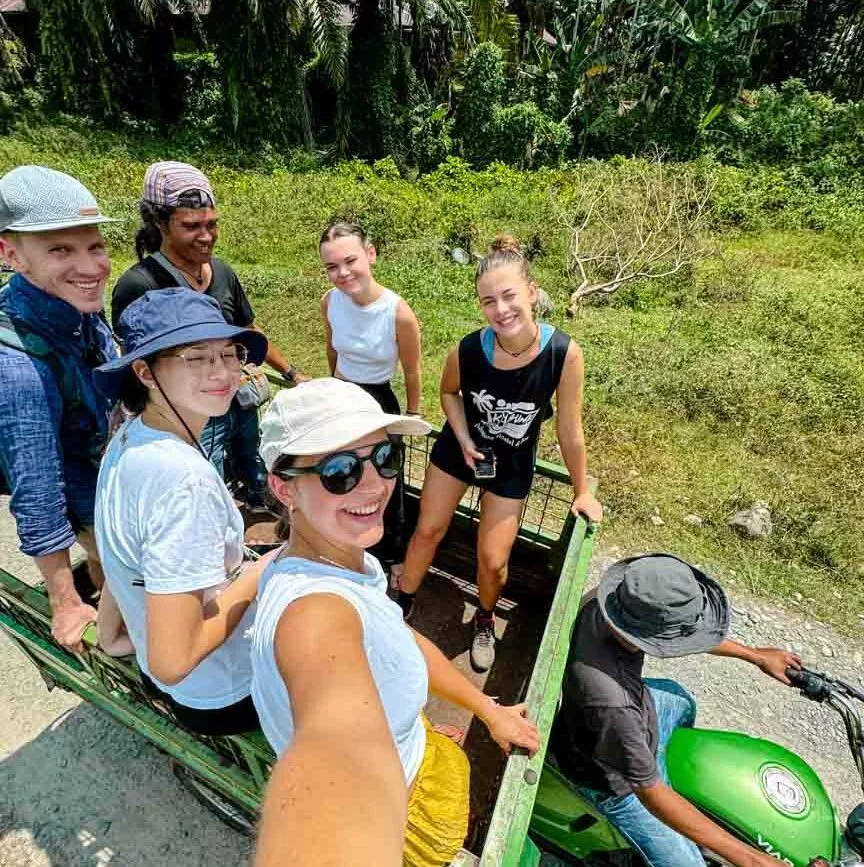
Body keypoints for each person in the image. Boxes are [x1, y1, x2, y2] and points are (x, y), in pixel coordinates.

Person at [250, 378, 541, 867]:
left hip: (419, 753)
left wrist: (484, 711)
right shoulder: (313, 614)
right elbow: (328, 755)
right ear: (284, 489)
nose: (374, 485)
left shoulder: (345, 559)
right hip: (408, 814)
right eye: (339, 470)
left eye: (385, 458)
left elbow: (396, 640)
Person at [396, 235, 603, 672]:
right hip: (460, 448)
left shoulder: (563, 355)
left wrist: (582, 490)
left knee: (493, 559)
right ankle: (403, 599)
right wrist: (465, 437)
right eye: (488, 301)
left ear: (531, 291)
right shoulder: (469, 349)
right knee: (429, 529)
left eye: (509, 296)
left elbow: (569, 429)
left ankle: (485, 617)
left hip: (511, 462)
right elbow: (448, 393)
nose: (501, 309)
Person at [92, 288, 273, 736]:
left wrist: (113, 634)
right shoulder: (182, 481)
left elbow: (128, 562)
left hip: (190, 683)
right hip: (225, 691)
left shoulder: (131, 439)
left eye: (229, 354)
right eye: (196, 357)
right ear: (145, 371)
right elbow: (172, 661)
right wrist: (258, 573)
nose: (224, 372)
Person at [550, 553, 802, 867]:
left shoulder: (614, 599)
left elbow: (684, 632)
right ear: (648, 637)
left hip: (632, 717)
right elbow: (649, 791)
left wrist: (754, 655)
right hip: (612, 781)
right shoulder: (611, 704)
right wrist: (750, 858)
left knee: (680, 699)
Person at [111, 161, 307, 511]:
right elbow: (135, 365)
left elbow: (248, 328)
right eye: (191, 226)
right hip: (187, 415)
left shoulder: (222, 272)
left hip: (238, 397)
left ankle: (256, 514)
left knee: (254, 463)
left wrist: (291, 373)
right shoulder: (140, 285)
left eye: (211, 224)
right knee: (203, 479)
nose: (206, 235)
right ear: (160, 224)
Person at [0, 165, 118, 652]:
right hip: (85, 496)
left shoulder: (77, 307)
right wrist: (65, 601)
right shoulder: (18, 365)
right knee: (127, 586)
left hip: (110, 477)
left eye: (94, 246)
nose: (91, 268)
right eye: (60, 250)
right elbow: (37, 487)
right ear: (10, 253)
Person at [319, 221, 422, 580]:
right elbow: (333, 347)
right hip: (343, 396)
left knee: (383, 483)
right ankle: (340, 545)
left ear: (371, 254)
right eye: (332, 267)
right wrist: (332, 387)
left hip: (378, 403)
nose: (342, 273)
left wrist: (411, 416)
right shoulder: (330, 301)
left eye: (350, 261)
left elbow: (411, 370)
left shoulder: (397, 312)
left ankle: (391, 556)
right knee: (339, 476)